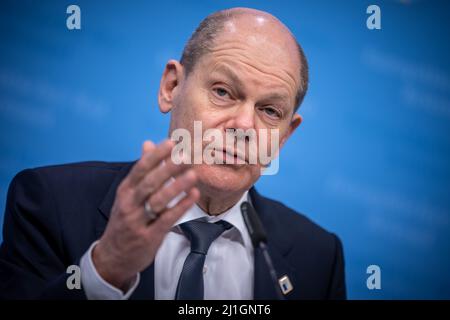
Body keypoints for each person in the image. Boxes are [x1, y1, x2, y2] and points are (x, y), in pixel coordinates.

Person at [0, 7, 346, 300]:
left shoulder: (319, 255)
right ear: (171, 88)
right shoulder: (50, 202)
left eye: (270, 111)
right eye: (223, 91)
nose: (243, 126)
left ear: (284, 135)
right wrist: (106, 269)